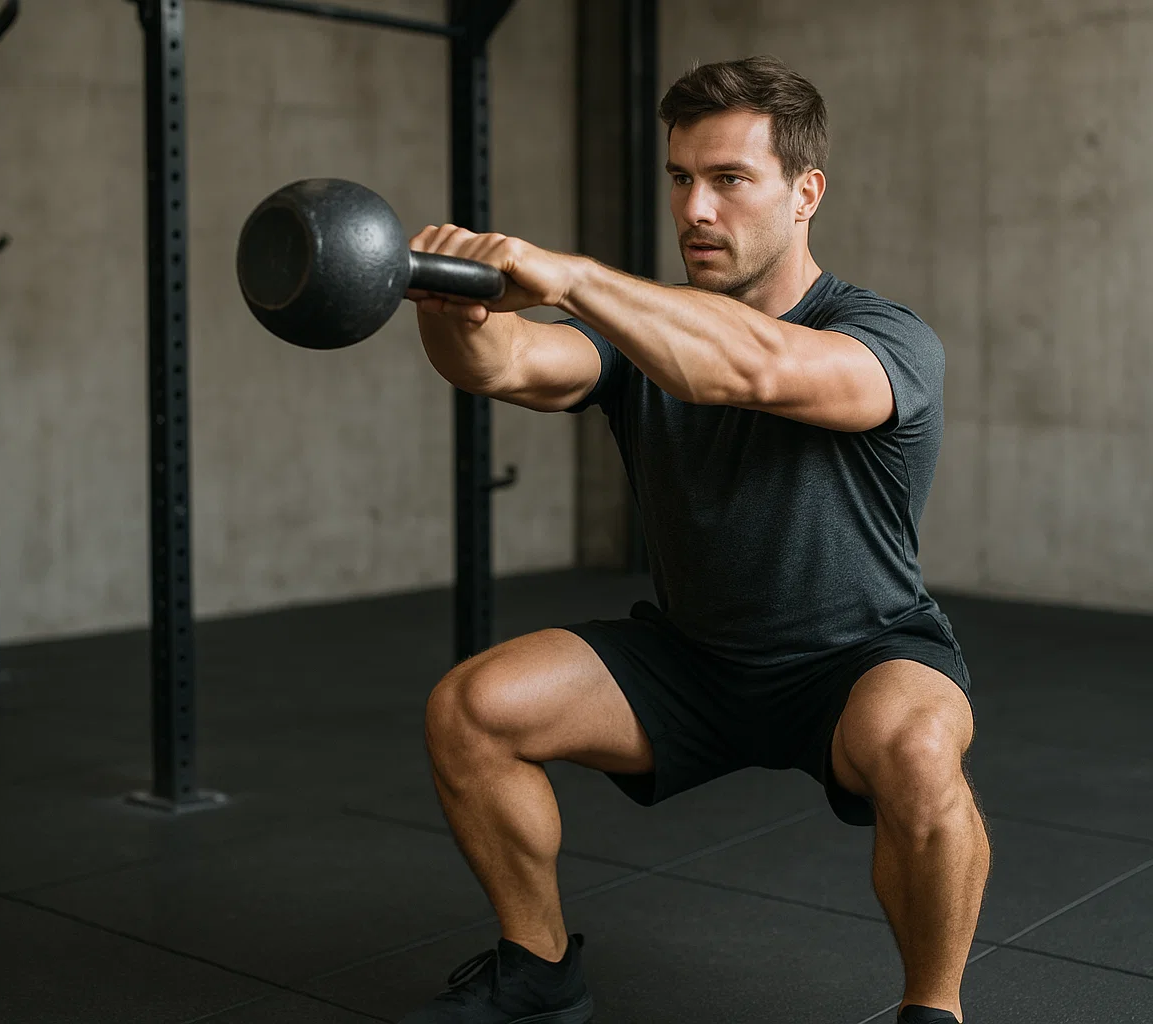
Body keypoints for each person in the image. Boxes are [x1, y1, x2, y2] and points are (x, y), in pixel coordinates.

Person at [399, 55, 988, 1024]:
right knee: (474, 707)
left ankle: (933, 1008)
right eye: (681, 178)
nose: (697, 209)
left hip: (858, 655)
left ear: (806, 193)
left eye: (729, 179)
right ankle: (539, 968)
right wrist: (451, 310)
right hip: (694, 657)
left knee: (922, 747)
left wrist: (576, 276)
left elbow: (746, 368)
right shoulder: (640, 332)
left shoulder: (886, 337)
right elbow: (508, 364)